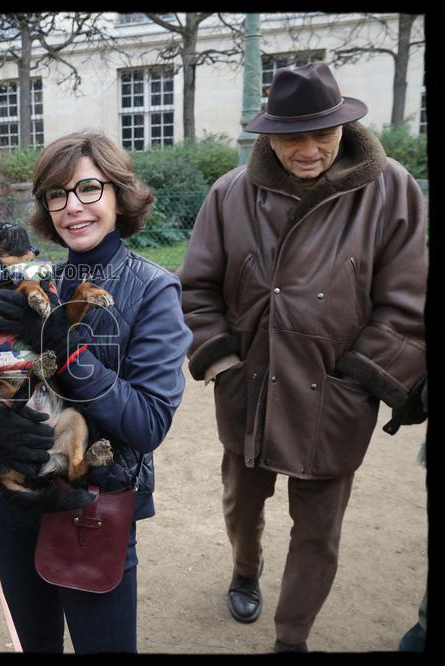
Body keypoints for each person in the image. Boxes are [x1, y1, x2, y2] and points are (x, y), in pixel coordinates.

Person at [176, 62, 427, 653]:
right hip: (251, 383)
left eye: (323, 133)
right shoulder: (229, 193)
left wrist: (360, 375)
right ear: (269, 135)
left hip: (334, 392)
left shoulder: (392, 188)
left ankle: (293, 636)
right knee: (242, 502)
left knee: (319, 529)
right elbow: (196, 290)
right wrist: (222, 364)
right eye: (293, 136)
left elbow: (406, 300)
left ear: (344, 126)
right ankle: (245, 568)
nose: (309, 149)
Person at [0, 130, 192, 653]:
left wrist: (65, 350)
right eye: (57, 194)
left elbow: (148, 423)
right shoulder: (30, 273)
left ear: (120, 194)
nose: (72, 207)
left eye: (89, 189)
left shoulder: (154, 288)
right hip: (9, 500)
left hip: (91, 506)